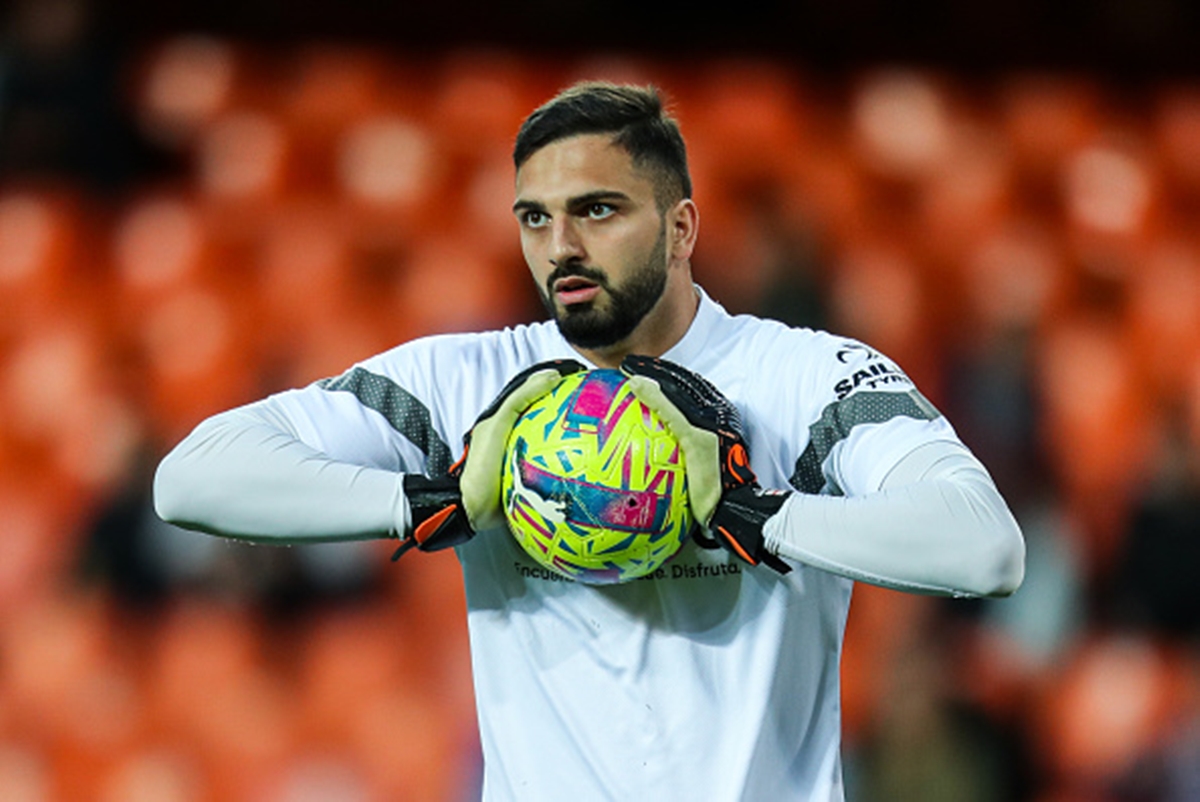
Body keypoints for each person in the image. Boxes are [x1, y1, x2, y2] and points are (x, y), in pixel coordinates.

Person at [154, 82, 1025, 801]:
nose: (560, 248)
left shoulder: (802, 377)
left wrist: (754, 514)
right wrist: (441, 501)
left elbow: (984, 548)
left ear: (682, 228)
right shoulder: (473, 383)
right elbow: (191, 479)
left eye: (597, 211)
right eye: (535, 218)